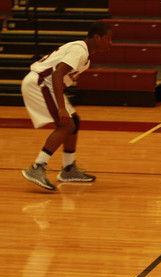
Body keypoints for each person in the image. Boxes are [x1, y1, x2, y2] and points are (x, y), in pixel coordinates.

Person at [21, 21, 112, 191]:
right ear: (97, 37)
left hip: (46, 85)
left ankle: (68, 169)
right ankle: (37, 167)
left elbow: (61, 80)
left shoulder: (85, 57)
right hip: (39, 84)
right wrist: (61, 108)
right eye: (108, 38)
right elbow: (57, 74)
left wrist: (63, 105)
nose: (110, 43)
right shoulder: (80, 50)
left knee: (74, 122)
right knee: (66, 124)